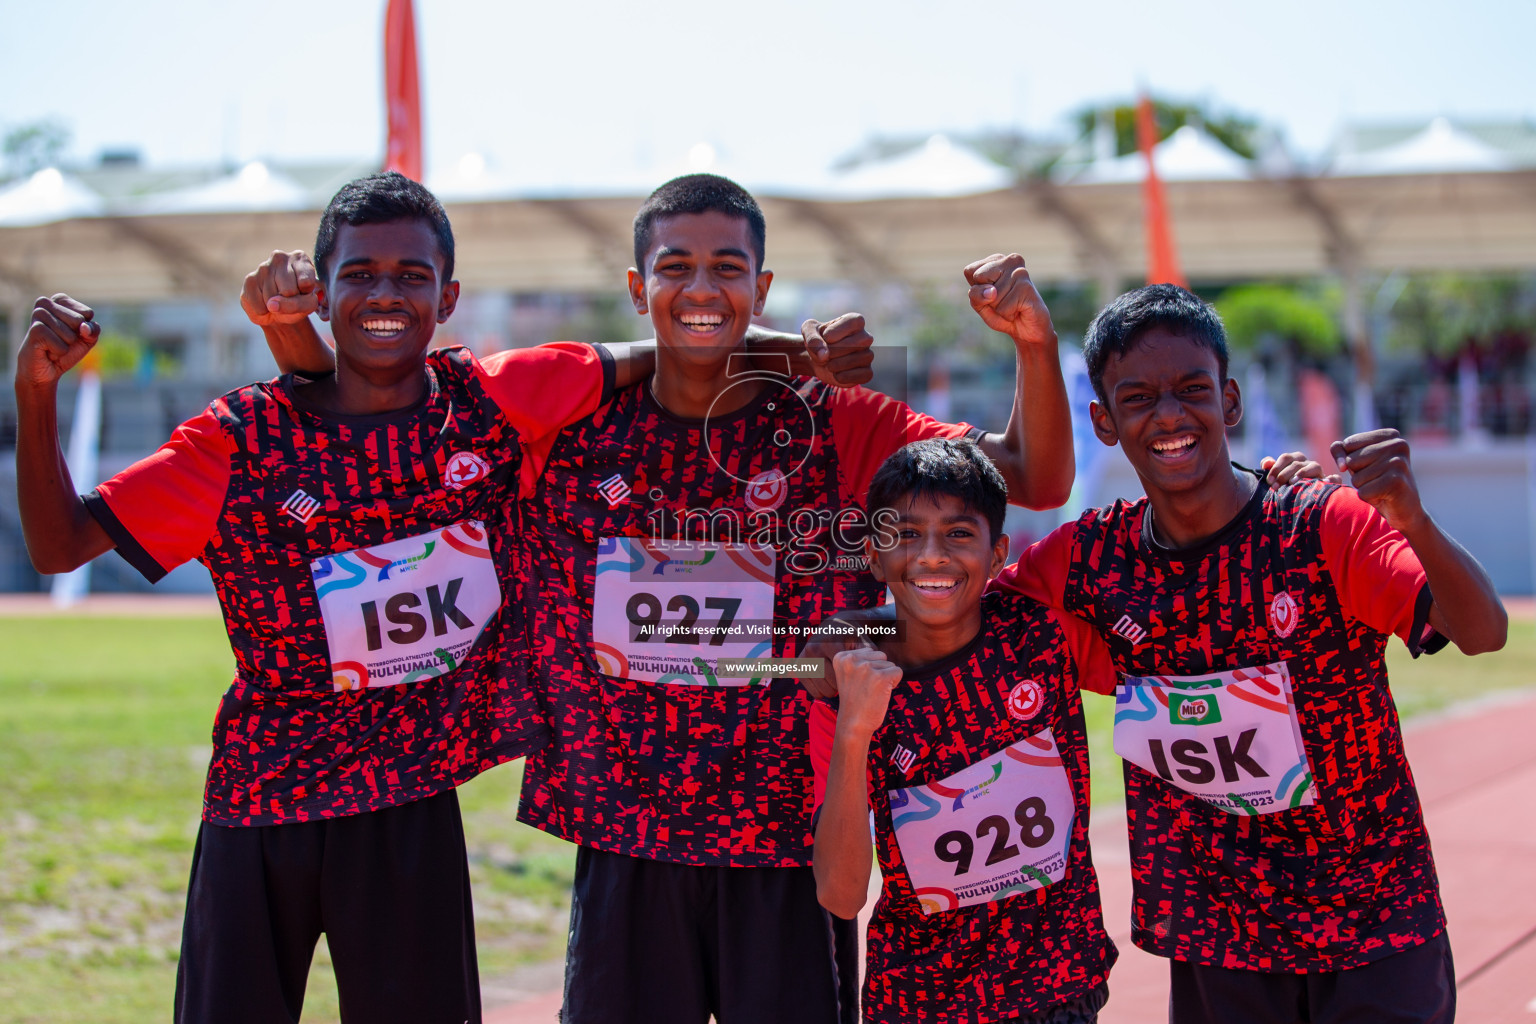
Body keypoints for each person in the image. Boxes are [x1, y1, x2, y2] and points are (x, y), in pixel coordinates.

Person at [13, 171, 655, 1024]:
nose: (385, 294)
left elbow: (683, 348)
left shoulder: (486, 406)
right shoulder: (235, 440)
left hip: (409, 799)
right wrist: (36, 390)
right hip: (263, 797)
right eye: (359, 274)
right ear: (324, 290)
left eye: (411, 277)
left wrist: (798, 353)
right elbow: (61, 546)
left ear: (449, 296)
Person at [516, 174, 1077, 1024]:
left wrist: (1034, 343)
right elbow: (442, 395)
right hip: (627, 835)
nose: (702, 290)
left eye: (728, 269)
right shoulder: (574, 434)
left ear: (762, 286)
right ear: (637, 289)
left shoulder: (836, 421)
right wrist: (775, 347)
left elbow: (1034, 475)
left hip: (785, 841)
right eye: (675, 268)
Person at [986, 285, 1506, 1023]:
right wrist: (774, 655)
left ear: (1229, 401)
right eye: (1137, 398)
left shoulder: (1323, 527)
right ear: (1102, 421)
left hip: (1374, 921)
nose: (1169, 415)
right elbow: (949, 617)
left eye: (1192, 389)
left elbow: (1484, 631)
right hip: (1217, 939)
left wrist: (1412, 518)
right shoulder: (1090, 561)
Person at [811, 438, 1117, 1023]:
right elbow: (841, 896)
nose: (931, 556)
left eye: (957, 534)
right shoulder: (853, 673)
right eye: (905, 534)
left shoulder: (1043, 634)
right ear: (873, 556)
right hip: (922, 1001)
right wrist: (853, 730)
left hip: (1056, 985)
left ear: (998, 552)